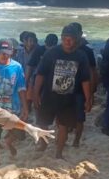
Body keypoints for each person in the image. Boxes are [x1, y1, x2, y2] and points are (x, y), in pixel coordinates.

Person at [33, 24, 93, 159]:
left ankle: (59, 153)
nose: (68, 41)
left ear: (77, 39)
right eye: (65, 38)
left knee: (64, 126)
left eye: (71, 38)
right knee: (43, 123)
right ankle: (43, 144)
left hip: (68, 98)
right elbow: (40, 74)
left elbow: (85, 79)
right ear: (61, 38)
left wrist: (88, 99)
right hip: (49, 96)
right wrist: (36, 93)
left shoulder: (81, 56)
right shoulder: (52, 53)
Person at [0, 39, 28, 167]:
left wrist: (25, 107)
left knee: (21, 135)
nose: (5, 55)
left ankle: (9, 141)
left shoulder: (17, 67)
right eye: (2, 52)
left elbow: (21, 88)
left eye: (8, 53)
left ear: (12, 52)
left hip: (13, 108)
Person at [69, 24, 99, 147]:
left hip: (81, 88)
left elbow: (93, 71)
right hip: (65, 87)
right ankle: (70, 129)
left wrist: (91, 92)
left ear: (80, 34)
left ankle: (76, 140)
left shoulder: (87, 50)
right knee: (65, 114)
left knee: (80, 117)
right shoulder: (64, 48)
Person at [26, 33, 58, 112]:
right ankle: (30, 110)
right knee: (33, 97)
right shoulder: (39, 50)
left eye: (51, 47)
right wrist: (26, 80)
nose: (49, 49)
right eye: (48, 46)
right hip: (37, 77)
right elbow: (30, 66)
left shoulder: (58, 51)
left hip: (52, 79)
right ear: (45, 43)